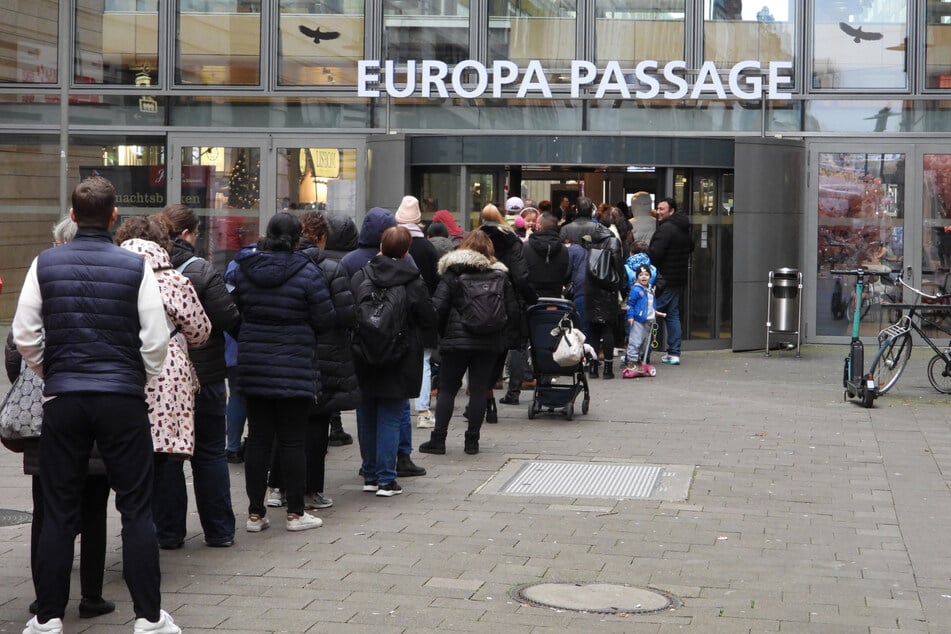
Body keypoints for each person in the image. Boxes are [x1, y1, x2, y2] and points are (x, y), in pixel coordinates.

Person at [13, 176, 179, 634]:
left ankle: (47, 618)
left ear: (71, 215)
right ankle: (148, 617)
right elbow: (155, 339)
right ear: (113, 217)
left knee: (58, 509)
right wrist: (136, 377)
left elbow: (25, 333)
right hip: (121, 398)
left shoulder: (44, 263)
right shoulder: (134, 267)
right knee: (136, 508)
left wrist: (53, 371)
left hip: (65, 396)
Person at [5, 216, 115, 623]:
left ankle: (44, 599)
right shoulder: (114, 277)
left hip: (47, 412)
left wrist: (42, 374)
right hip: (101, 405)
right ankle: (91, 597)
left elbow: (16, 346)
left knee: (47, 510)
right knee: (95, 510)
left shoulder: (44, 277)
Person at [230, 212, 336, 531]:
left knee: (259, 437)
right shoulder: (308, 271)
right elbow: (326, 316)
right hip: (295, 363)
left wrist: (249, 335)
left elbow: (234, 311)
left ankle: (254, 514)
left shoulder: (246, 269)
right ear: (297, 237)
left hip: (254, 363)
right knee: (292, 439)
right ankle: (295, 513)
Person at [157, 203, 240, 549]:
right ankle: (219, 531)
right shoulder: (202, 270)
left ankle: (169, 532)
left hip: (162, 381)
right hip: (203, 376)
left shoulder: (146, 268)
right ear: (189, 233)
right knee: (209, 453)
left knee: (170, 458)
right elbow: (228, 317)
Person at [266, 211, 358, 514]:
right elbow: (345, 314)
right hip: (324, 355)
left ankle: (275, 486)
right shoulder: (331, 268)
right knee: (317, 423)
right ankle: (310, 490)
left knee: (284, 423)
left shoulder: (276, 263)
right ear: (321, 237)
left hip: (285, 353)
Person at [116, 216, 211, 463]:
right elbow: (200, 331)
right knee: (167, 463)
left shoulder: (113, 274)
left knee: (129, 460)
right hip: (169, 377)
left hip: (122, 368)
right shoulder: (175, 280)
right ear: (162, 243)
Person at [341, 207, 427, 479]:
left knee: (366, 413)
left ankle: (369, 473)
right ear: (405, 250)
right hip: (398, 354)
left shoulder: (356, 270)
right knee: (391, 414)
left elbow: (345, 308)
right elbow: (427, 316)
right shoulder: (411, 275)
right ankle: (387, 477)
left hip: (363, 351)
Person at [419, 230, 520, 455]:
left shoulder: (452, 274)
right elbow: (512, 310)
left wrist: (442, 333)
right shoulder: (500, 276)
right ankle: (472, 441)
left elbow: (438, 308)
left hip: (456, 342)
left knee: (447, 390)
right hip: (489, 340)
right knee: (479, 389)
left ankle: (438, 440)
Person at [500, 212, 569, 405]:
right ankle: (544, 387)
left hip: (527, 302)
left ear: (538, 227)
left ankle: (513, 392)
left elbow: (518, 275)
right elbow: (567, 275)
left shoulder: (525, 247)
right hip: (554, 303)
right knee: (547, 344)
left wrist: (528, 294)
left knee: (519, 346)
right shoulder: (564, 251)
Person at [478, 204, 538, 422]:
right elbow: (521, 276)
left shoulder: (475, 239)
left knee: (480, 356)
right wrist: (531, 298)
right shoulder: (512, 240)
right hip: (506, 302)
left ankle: (485, 399)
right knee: (500, 351)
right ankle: (488, 400)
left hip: (478, 302)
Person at [395, 195, 440, 433]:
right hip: (422, 310)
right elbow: (436, 280)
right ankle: (423, 411)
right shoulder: (427, 247)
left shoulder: (391, 242)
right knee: (423, 361)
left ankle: (400, 406)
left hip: (395, 310)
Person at [318, 211, 359, 447]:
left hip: (322, 324)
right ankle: (337, 426)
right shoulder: (351, 260)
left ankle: (329, 423)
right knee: (339, 376)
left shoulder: (321, 259)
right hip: (343, 326)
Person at [647, 197, 693, 366]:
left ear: (671, 210)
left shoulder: (666, 229)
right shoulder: (683, 228)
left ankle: (643, 353)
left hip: (663, 279)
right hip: (677, 278)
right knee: (672, 315)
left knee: (648, 314)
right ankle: (674, 353)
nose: (658, 212)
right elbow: (691, 247)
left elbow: (655, 254)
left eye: (662, 209)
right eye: (657, 208)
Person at [584, 209, 626, 380]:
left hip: (591, 289)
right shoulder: (613, 242)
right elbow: (618, 266)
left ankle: (593, 368)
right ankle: (608, 368)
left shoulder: (589, 241)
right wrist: (621, 286)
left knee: (594, 331)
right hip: (607, 290)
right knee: (607, 329)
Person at [623, 264, 664, 377]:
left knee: (645, 343)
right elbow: (630, 305)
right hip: (638, 320)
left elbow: (651, 304)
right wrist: (630, 317)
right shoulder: (636, 290)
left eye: (646, 275)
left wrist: (655, 312)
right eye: (641, 275)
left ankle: (640, 361)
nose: (644, 277)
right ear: (637, 277)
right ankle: (631, 363)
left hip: (649, 320)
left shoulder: (650, 289)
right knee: (635, 341)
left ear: (650, 277)